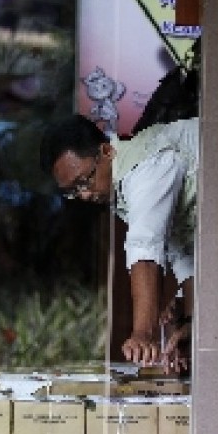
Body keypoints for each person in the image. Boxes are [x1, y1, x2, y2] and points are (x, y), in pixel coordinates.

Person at [40, 114, 197, 369]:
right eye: (72, 192)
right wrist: (190, 323)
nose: (84, 195)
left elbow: (145, 247)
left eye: (84, 181)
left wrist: (143, 334)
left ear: (106, 151)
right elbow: (185, 253)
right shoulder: (120, 189)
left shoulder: (145, 165)